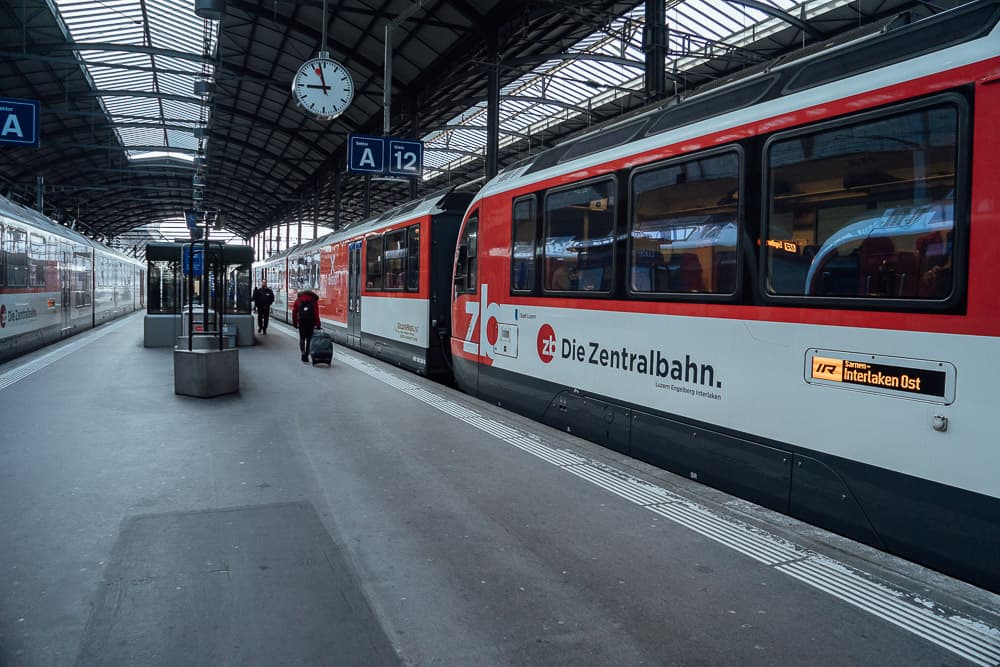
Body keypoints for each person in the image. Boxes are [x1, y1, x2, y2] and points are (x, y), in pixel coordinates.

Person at [291, 289, 321, 362]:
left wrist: (295, 323)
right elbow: (316, 314)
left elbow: (294, 312)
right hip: (311, 322)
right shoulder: (314, 300)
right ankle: (307, 355)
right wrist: (318, 325)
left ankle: (303, 353)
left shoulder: (299, 299)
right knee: (309, 340)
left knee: (302, 338)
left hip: (302, 321)